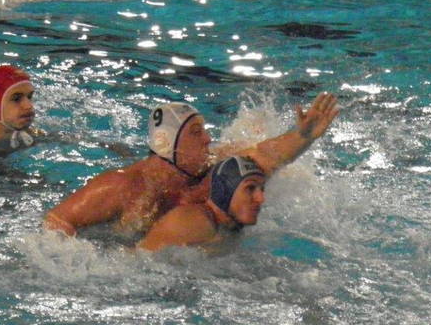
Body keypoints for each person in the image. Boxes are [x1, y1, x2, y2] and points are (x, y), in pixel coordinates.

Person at [43, 92, 338, 237]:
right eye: (196, 133)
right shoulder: (122, 186)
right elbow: (56, 222)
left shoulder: (215, 169)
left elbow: (267, 155)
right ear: (166, 143)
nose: (208, 139)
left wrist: (303, 136)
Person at [138, 156, 265, 251]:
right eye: (250, 188)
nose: (260, 198)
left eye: (262, 189)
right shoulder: (196, 222)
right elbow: (144, 263)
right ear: (224, 190)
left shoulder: (230, 226)